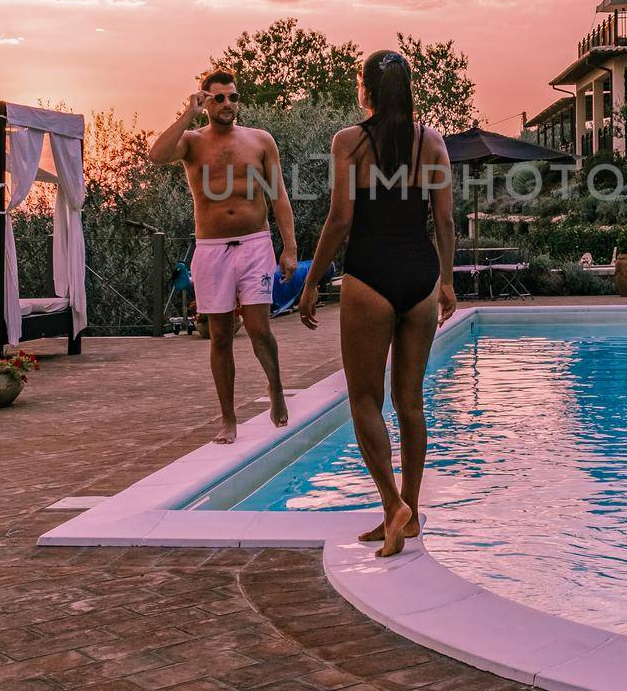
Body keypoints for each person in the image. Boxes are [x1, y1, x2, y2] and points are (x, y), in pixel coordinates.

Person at [299, 50, 456, 557]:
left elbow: (340, 220)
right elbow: (445, 222)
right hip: (421, 277)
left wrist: (311, 282)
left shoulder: (349, 141)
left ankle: (394, 507)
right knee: (410, 402)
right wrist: (447, 282)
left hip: (369, 277)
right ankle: (406, 510)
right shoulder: (431, 142)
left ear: (365, 89)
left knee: (365, 399)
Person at [148, 70, 297, 443]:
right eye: (219, 98)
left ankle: (275, 389)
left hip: (255, 244)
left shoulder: (260, 140)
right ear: (205, 102)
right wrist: (187, 113)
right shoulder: (192, 142)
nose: (227, 104)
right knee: (220, 337)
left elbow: (278, 196)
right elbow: (156, 155)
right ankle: (228, 418)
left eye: (232, 97)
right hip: (212, 249)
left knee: (260, 328)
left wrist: (289, 248)